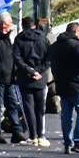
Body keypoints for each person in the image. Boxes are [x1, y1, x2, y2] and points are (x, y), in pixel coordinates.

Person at [49, 22, 79, 154]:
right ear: (76, 32)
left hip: (61, 84)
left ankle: (68, 142)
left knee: (66, 114)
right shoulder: (76, 46)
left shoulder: (55, 46)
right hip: (78, 85)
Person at [13, 16, 51, 146]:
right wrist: (38, 71)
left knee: (28, 107)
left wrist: (29, 70)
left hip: (25, 77)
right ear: (34, 25)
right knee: (41, 108)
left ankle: (32, 136)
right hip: (41, 78)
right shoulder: (43, 38)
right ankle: (42, 135)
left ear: (23, 26)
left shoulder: (19, 39)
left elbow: (17, 58)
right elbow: (48, 58)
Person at [0, 12, 25, 144]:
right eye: (9, 24)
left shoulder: (9, 39)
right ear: (3, 24)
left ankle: (17, 131)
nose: (10, 26)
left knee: (12, 105)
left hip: (10, 79)